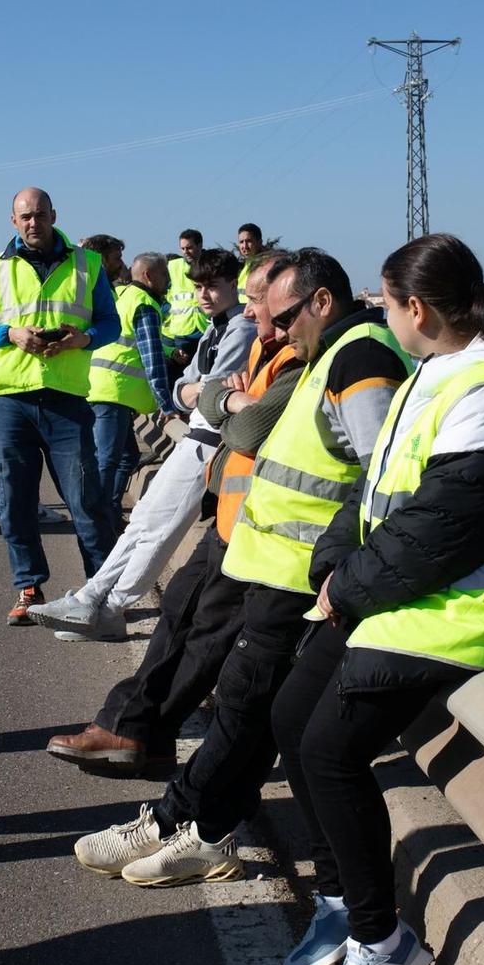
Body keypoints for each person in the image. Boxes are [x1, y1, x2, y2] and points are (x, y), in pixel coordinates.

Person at [271, 233, 484, 965]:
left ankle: (383, 939)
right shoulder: (436, 375)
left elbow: (445, 531)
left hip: (470, 614)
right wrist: (333, 567)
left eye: (385, 301)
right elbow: (378, 488)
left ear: (416, 308)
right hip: (411, 601)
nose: (381, 315)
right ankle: (341, 897)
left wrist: (350, 586)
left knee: (330, 749)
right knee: (288, 715)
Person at [73, 249, 408, 884]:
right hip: (275, 565)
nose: (270, 330)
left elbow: (379, 479)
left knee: (245, 706)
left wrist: (343, 571)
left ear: (322, 302)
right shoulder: (326, 353)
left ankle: (186, 823)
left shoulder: (359, 356)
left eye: (280, 315)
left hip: (304, 576)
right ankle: (195, 824)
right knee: (250, 709)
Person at [46, 253, 301, 772]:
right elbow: (194, 390)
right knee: (180, 601)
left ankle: (143, 735)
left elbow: (238, 419)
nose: (251, 311)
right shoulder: (254, 341)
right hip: (235, 511)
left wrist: (219, 402)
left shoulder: (296, 356)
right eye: (249, 299)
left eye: (256, 298)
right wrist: (218, 400)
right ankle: (132, 723)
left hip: (265, 527)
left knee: (204, 631)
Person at [26, 249, 251, 640]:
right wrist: (194, 390)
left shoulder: (241, 330)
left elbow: (209, 391)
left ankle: (110, 608)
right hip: (195, 436)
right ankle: (91, 598)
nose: (204, 295)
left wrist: (196, 390)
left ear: (234, 285)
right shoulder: (215, 329)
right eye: (198, 286)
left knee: (158, 530)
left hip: (211, 442)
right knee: (143, 520)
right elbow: (184, 388)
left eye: (213, 287)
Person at [0, 187, 121, 624]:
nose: (33, 223)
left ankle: (99, 592)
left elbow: (110, 322)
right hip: (9, 400)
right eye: (25, 217)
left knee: (86, 500)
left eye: (39, 215)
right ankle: (29, 586)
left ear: (54, 215)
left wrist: (83, 338)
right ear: (13, 222)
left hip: (66, 401)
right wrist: (10, 334)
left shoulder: (87, 265)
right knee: (15, 500)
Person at [87, 250, 180, 537]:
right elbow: (151, 358)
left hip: (107, 388)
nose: (169, 282)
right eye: (165, 275)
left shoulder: (125, 296)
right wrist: (165, 403)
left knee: (126, 455)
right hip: (114, 392)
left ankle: (110, 514)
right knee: (109, 460)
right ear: (149, 276)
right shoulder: (144, 305)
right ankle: (99, 521)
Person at [163, 229, 208, 358]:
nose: (185, 252)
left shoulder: (210, 265)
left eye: (189, 248)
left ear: (200, 245)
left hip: (205, 327)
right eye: (182, 249)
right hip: (182, 332)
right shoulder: (173, 266)